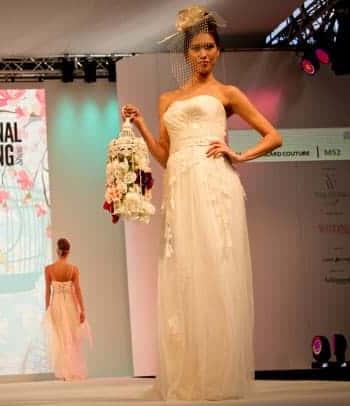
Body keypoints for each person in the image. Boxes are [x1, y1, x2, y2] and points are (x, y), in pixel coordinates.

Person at [121, 6, 282, 401]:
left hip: (214, 185)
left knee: (216, 269)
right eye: (197, 48)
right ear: (186, 53)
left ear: (218, 51)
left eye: (210, 47)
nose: (204, 54)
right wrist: (141, 126)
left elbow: (273, 136)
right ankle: (190, 373)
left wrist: (238, 154)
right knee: (184, 275)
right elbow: (164, 156)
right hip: (180, 188)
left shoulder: (227, 93)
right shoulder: (167, 99)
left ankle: (218, 374)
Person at [42, 238, 91, 381]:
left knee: (60, 337)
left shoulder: (49, 269)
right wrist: (82, 310)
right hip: (70, 305)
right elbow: (77, 291)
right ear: (68, 252)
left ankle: (66, 372)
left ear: (57, 251)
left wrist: (47, 310)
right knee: (71, 338)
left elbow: (48, 292)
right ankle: (71, 370)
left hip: (56, 305)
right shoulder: (73, 269)